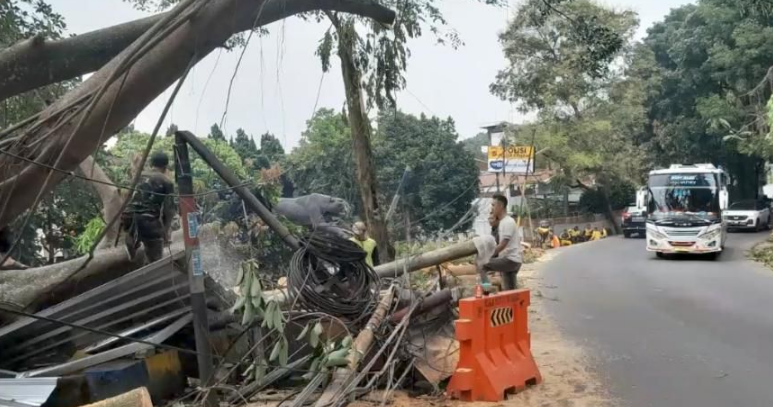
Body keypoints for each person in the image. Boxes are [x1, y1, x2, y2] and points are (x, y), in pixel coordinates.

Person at [122, 151, 176, 264]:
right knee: (155, 256)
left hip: (128, 216)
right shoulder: (166, 182)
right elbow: (169, 209)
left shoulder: (138, 176)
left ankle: (131, 240)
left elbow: (129, 196)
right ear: (166, 166)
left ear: (151, 164)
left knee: (136, 227)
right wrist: (165, 231)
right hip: (148, 220)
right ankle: (151, 262)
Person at [481, 194, 523, 291]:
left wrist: (487, 255)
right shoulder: (502, 222)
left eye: (493, 205)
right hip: (509, 259)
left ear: (500, 206)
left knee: (482, 264)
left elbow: (502, 245)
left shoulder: (508, 222)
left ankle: (486, 290)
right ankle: (513, 299)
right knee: (510, 290)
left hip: (511, 260)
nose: (491, 208)